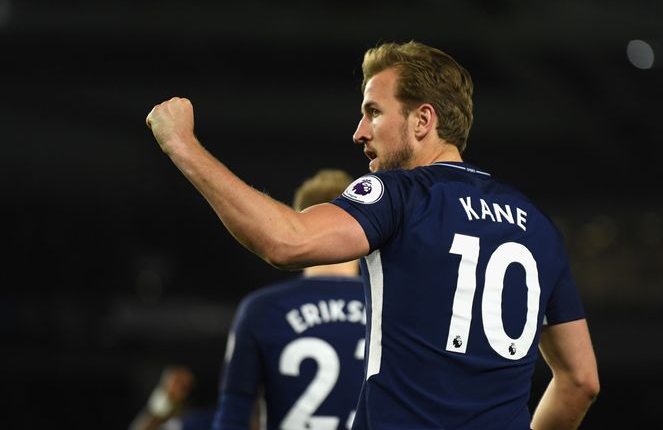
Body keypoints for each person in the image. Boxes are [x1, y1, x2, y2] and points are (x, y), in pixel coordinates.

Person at [146, 40, 600, 429]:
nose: (359, 132)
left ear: (423, 121)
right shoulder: (538, 226)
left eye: (373, 112)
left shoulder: (400, 194)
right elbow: (580, 382)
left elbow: (286, 242)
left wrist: (181, 144)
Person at [212, 169, 366, 430]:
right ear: (362, 225)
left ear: (297, 223)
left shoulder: (262, 310)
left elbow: (233, 414)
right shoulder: (396, 305)